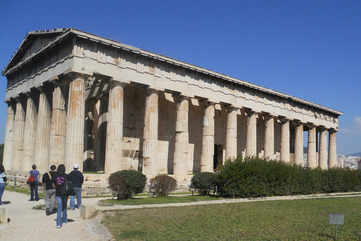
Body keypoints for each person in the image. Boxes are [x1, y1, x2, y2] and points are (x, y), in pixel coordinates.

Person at [54, 164, 68, 228]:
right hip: (65, 193)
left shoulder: (55, 176)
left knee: (59, 209)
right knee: (64, 206)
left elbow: (54, 184)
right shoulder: (66, 176)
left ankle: (58, 224)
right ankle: (64, 219)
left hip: (58, 194)